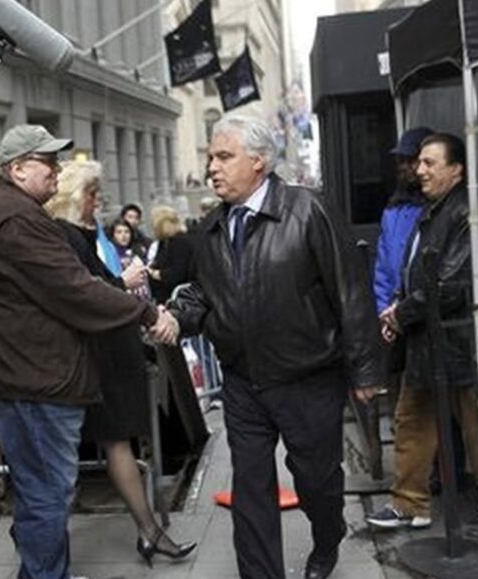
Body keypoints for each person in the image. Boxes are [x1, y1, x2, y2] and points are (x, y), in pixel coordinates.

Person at [167, 116, 384, 579]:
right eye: (210, 157)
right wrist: (176, 316)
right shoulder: (209, 230)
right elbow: (205, 295)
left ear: (260, 161)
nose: (212, 168)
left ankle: (328, 538)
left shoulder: (309, 211)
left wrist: (366, 371)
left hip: (309, 379)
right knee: (250, 492)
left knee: (317, 484)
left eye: (224, 157)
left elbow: (350, 290)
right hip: (244, 385)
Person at [0, 124, 178, 579]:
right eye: (48, 162)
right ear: (17, 169)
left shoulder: (5, 210)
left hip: (23, 380)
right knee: (46, 496)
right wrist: (145, 314)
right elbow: (76, 289)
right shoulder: (16, 218)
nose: (57, 171)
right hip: (35, 384)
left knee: (39, 493)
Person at [45, 160, 194, 566]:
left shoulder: (77, 233)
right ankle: (149, 533)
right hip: (97, 358)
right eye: (93, 193)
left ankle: (149, 532)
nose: (99, 201)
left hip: (108, 355)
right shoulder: (65, 234)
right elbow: (91, 292)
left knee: (117, 447)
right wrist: (126, 286)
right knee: (105, 451)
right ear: (77, 196)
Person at [368, 133, 478, 537]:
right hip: (427, 338)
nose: (420, 170)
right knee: (412, 421)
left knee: (476, 427)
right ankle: (409, 504)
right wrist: (398, 308)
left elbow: (451, 283)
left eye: (430, 163)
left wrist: (401, 312)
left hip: (461, 342)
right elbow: (412, 268)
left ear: (457, 170)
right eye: (419, 163)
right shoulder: (431, 211)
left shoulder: (463, 212)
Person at [374, 127, 433, 319]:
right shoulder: (393, 211)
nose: (404, 167)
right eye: (401, 161)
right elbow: (383, 270)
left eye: (411, 160)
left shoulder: (437, 208)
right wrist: (383, 312)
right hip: (396, 312)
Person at [147, 206, 194, 304]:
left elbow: (178, 273)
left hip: (177, 298)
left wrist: (155, 273)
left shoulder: (180, 242)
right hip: (163, 296)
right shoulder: (164, 242)